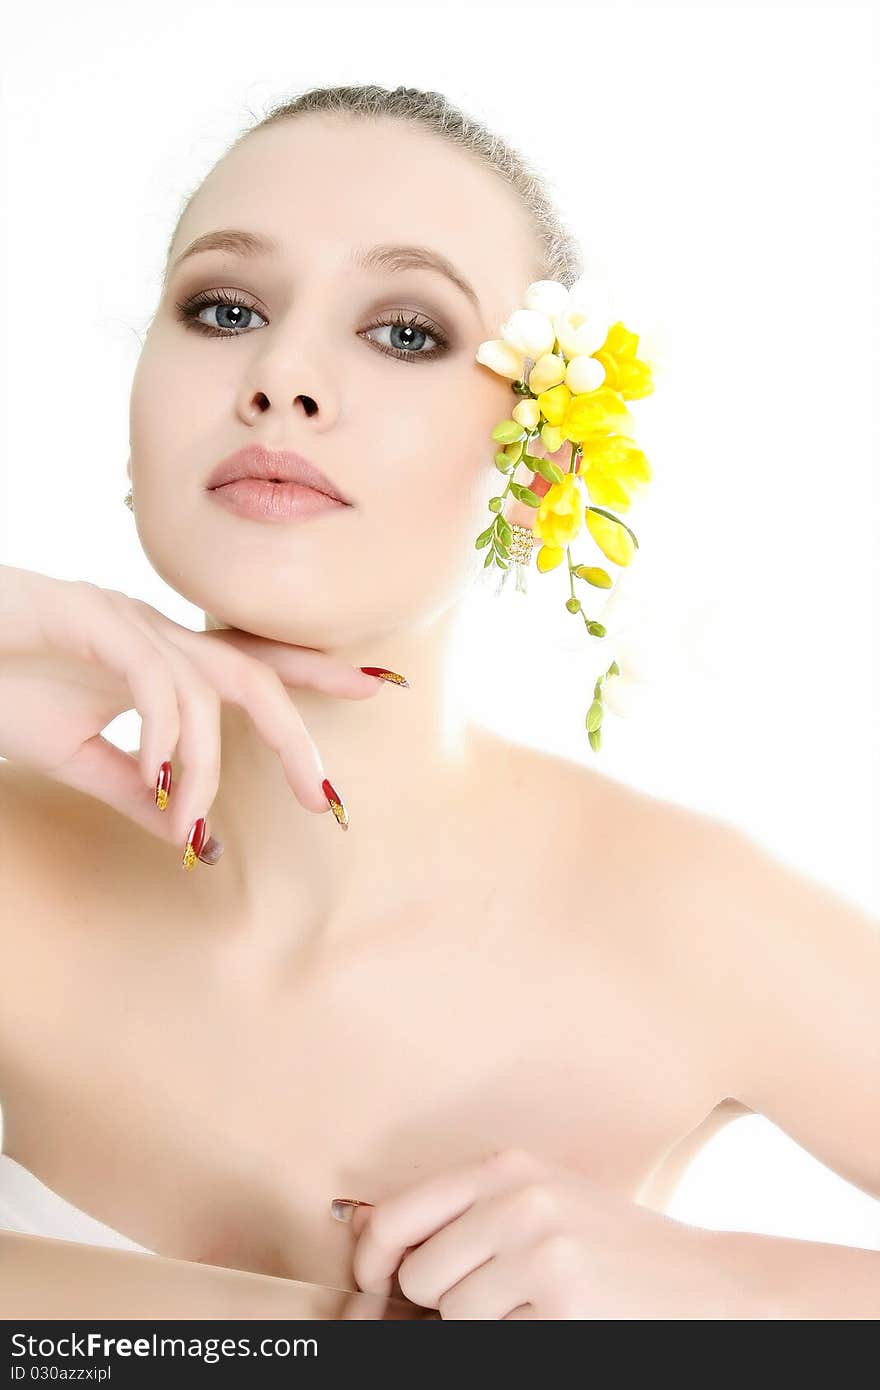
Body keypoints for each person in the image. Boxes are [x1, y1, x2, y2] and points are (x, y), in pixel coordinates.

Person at [0, 82, 877, 1322]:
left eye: (406, 331)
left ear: (543, 469)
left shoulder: (695, 922)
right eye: (224, 307)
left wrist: (737, 1286)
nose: (281, 374)